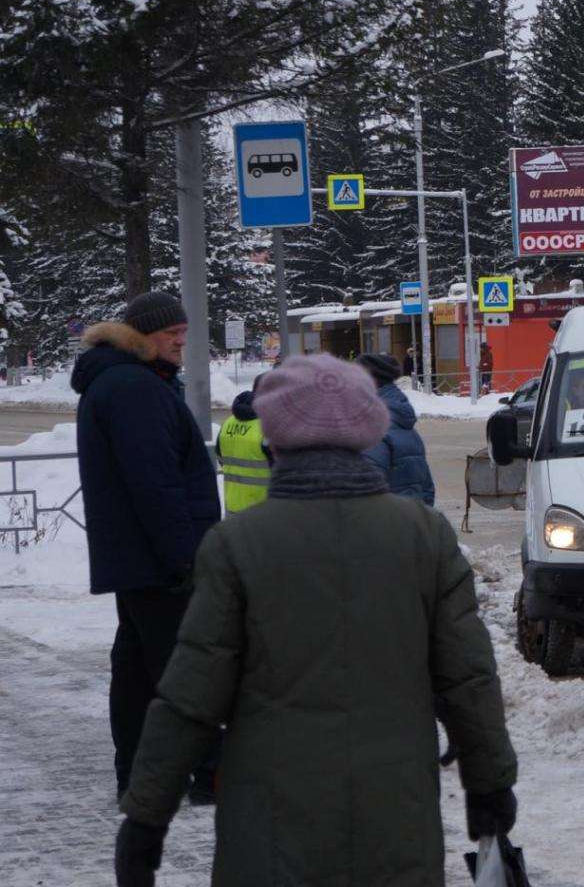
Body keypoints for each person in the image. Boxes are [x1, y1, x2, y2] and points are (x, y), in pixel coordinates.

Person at [113, 355, 518, 887]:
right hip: (395, 814)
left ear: (271, 441)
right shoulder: (424, 536)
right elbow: (469, 679)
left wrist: (146, 817)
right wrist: (488, 785)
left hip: (270, 824)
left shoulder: (237, 545)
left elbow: (191, 698)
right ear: (366, 434)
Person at [72, 291, 221, 805]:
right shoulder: (135, 388)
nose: (182, 340)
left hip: (139, 558)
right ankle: (208, 774)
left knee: (138, 670)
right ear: (139, 337)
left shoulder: (124, 381)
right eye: (170, 334)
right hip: (162, 561)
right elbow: (154, 484)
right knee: (185, 669)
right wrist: (186, 559)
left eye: (183, 331)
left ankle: (142, 777)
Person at [358, 353, 436, 504]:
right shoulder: (403, 423)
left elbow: (365, 493)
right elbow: (426, 488)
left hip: (385, 524)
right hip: (410, 519)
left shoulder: (375, 428)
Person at [214, 389, 270, 514]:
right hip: (260, 507)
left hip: (233, 504)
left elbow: (220, 457)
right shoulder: (265, 428)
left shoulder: (227, 424)